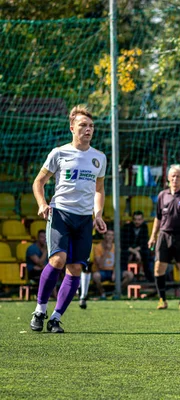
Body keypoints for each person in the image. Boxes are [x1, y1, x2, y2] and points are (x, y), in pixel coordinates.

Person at [29, 105, 107, 333]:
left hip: (84, 219)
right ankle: (40, 310)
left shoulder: (99, 158)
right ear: (72, 127)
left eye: (91, 126)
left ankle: (55, 318)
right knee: (58, 260)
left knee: (75, 268)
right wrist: (42, 203)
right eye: (83, 125)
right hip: (60, 213)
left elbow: (99, 189)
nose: (88, 129)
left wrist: (98, 214)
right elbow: (38, 182)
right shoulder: (58, 153)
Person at [148, 164, 180, 311]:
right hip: (164, 235)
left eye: (178, 176)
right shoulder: (162, 195)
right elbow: (157, 218)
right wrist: (153, 236)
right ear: (168, 178)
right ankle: (162, 299)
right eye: (173, 176)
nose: (175, 178)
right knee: (159, 267)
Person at [91, 229, 134, 299]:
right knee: (96, 276)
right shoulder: (97, 247)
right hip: (102, 271)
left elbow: (117, 262)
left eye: (112, 235)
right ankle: (102, 294)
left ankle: (116, 293)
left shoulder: (116, 247)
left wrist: (115, 272)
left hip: (113, 271)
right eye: (108, 235)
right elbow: (100, 265)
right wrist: (106, 251)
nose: (110, 237)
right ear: (104, 236)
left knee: (129, 275)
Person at [122, 210, 152, 283]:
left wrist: (136, 252)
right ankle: (124, 277)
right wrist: (135, 252)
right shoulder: (127, 227)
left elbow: (144, 243)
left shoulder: (144, 227)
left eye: (139, 220)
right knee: (123, 255)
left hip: (139, 250)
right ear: (132, 220)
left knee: (147, 254)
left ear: (142, 220)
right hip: (128, 250)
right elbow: (124, 244)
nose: (137, 222)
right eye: (135, 219)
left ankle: (149, 278)